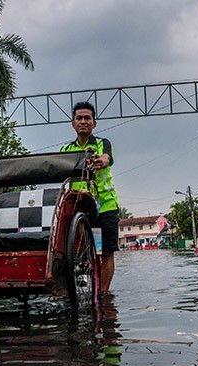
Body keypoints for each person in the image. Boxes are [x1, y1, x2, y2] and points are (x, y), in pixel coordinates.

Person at [61, 101, 120, 295]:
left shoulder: (103, 143)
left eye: (87, 118)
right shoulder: (66, 149)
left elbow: (107, 158)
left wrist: (103, 160)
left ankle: (103, 296)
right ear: (73, 123)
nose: (83, 122)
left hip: (105, 207)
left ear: (94, 123)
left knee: (107, 253)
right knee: (75, 253)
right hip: (79, 209)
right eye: (79, 118)